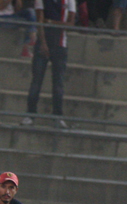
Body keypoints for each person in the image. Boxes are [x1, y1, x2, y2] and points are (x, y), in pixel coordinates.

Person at [21, 0, 76, 129]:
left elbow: (71, 23)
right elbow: (40, 20)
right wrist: (43, 42)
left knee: (58, 83)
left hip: (61, 45)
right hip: (43, 43)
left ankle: (57, 116)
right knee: (36, 81)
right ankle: (30, 114)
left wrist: (51, 22)